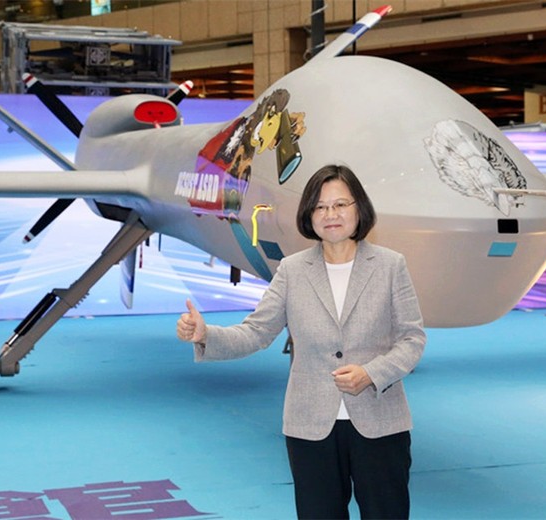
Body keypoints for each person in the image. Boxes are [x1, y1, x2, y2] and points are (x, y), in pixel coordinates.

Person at [176, 164, 426, 519]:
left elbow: (412, 339)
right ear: (309, 215)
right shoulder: (292, 270)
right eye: (320, 207)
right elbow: (256, 332)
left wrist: (371, 373)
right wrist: (206, 335)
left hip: (381, 421)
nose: (330, 214)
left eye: (340, 204)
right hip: (310, 426)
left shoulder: (390, 265)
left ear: (359, 208)